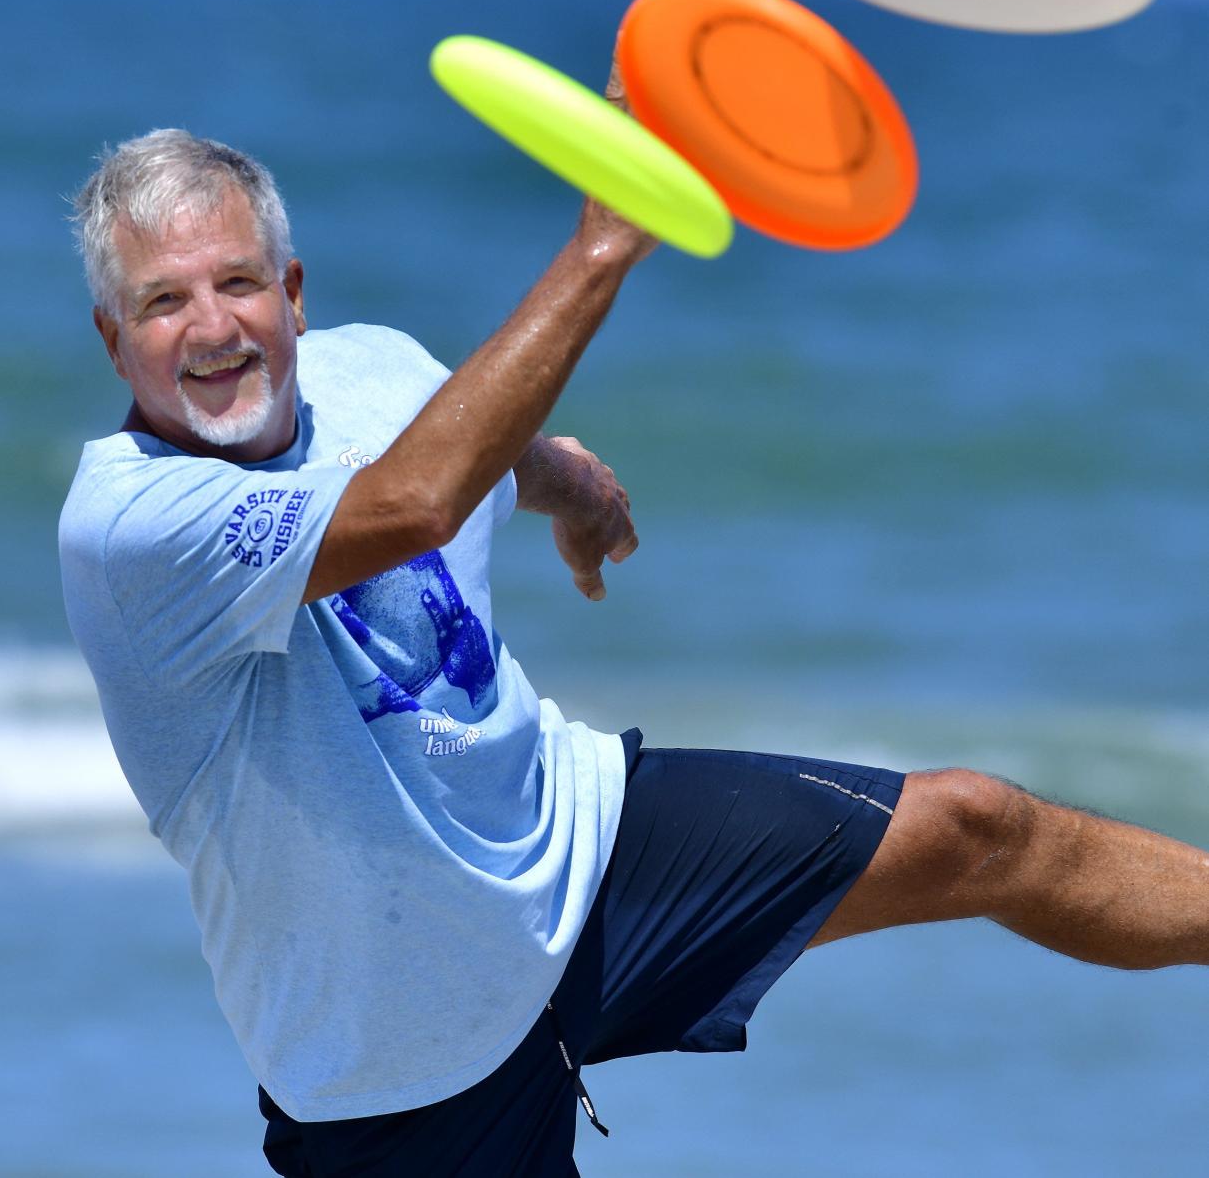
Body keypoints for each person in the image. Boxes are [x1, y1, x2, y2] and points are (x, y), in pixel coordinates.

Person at [59, 112, 1209, 1178]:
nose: (211, 328)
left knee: (980, 824)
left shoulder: (371, 364)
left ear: (293, 294)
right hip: (397, 1062)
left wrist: (564, 480)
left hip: (585, 854)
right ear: (115, 341)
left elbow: (463, 440)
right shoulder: (132, 530)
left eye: (238, 282)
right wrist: (602, 246)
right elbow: (412, 501)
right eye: (163, 303)